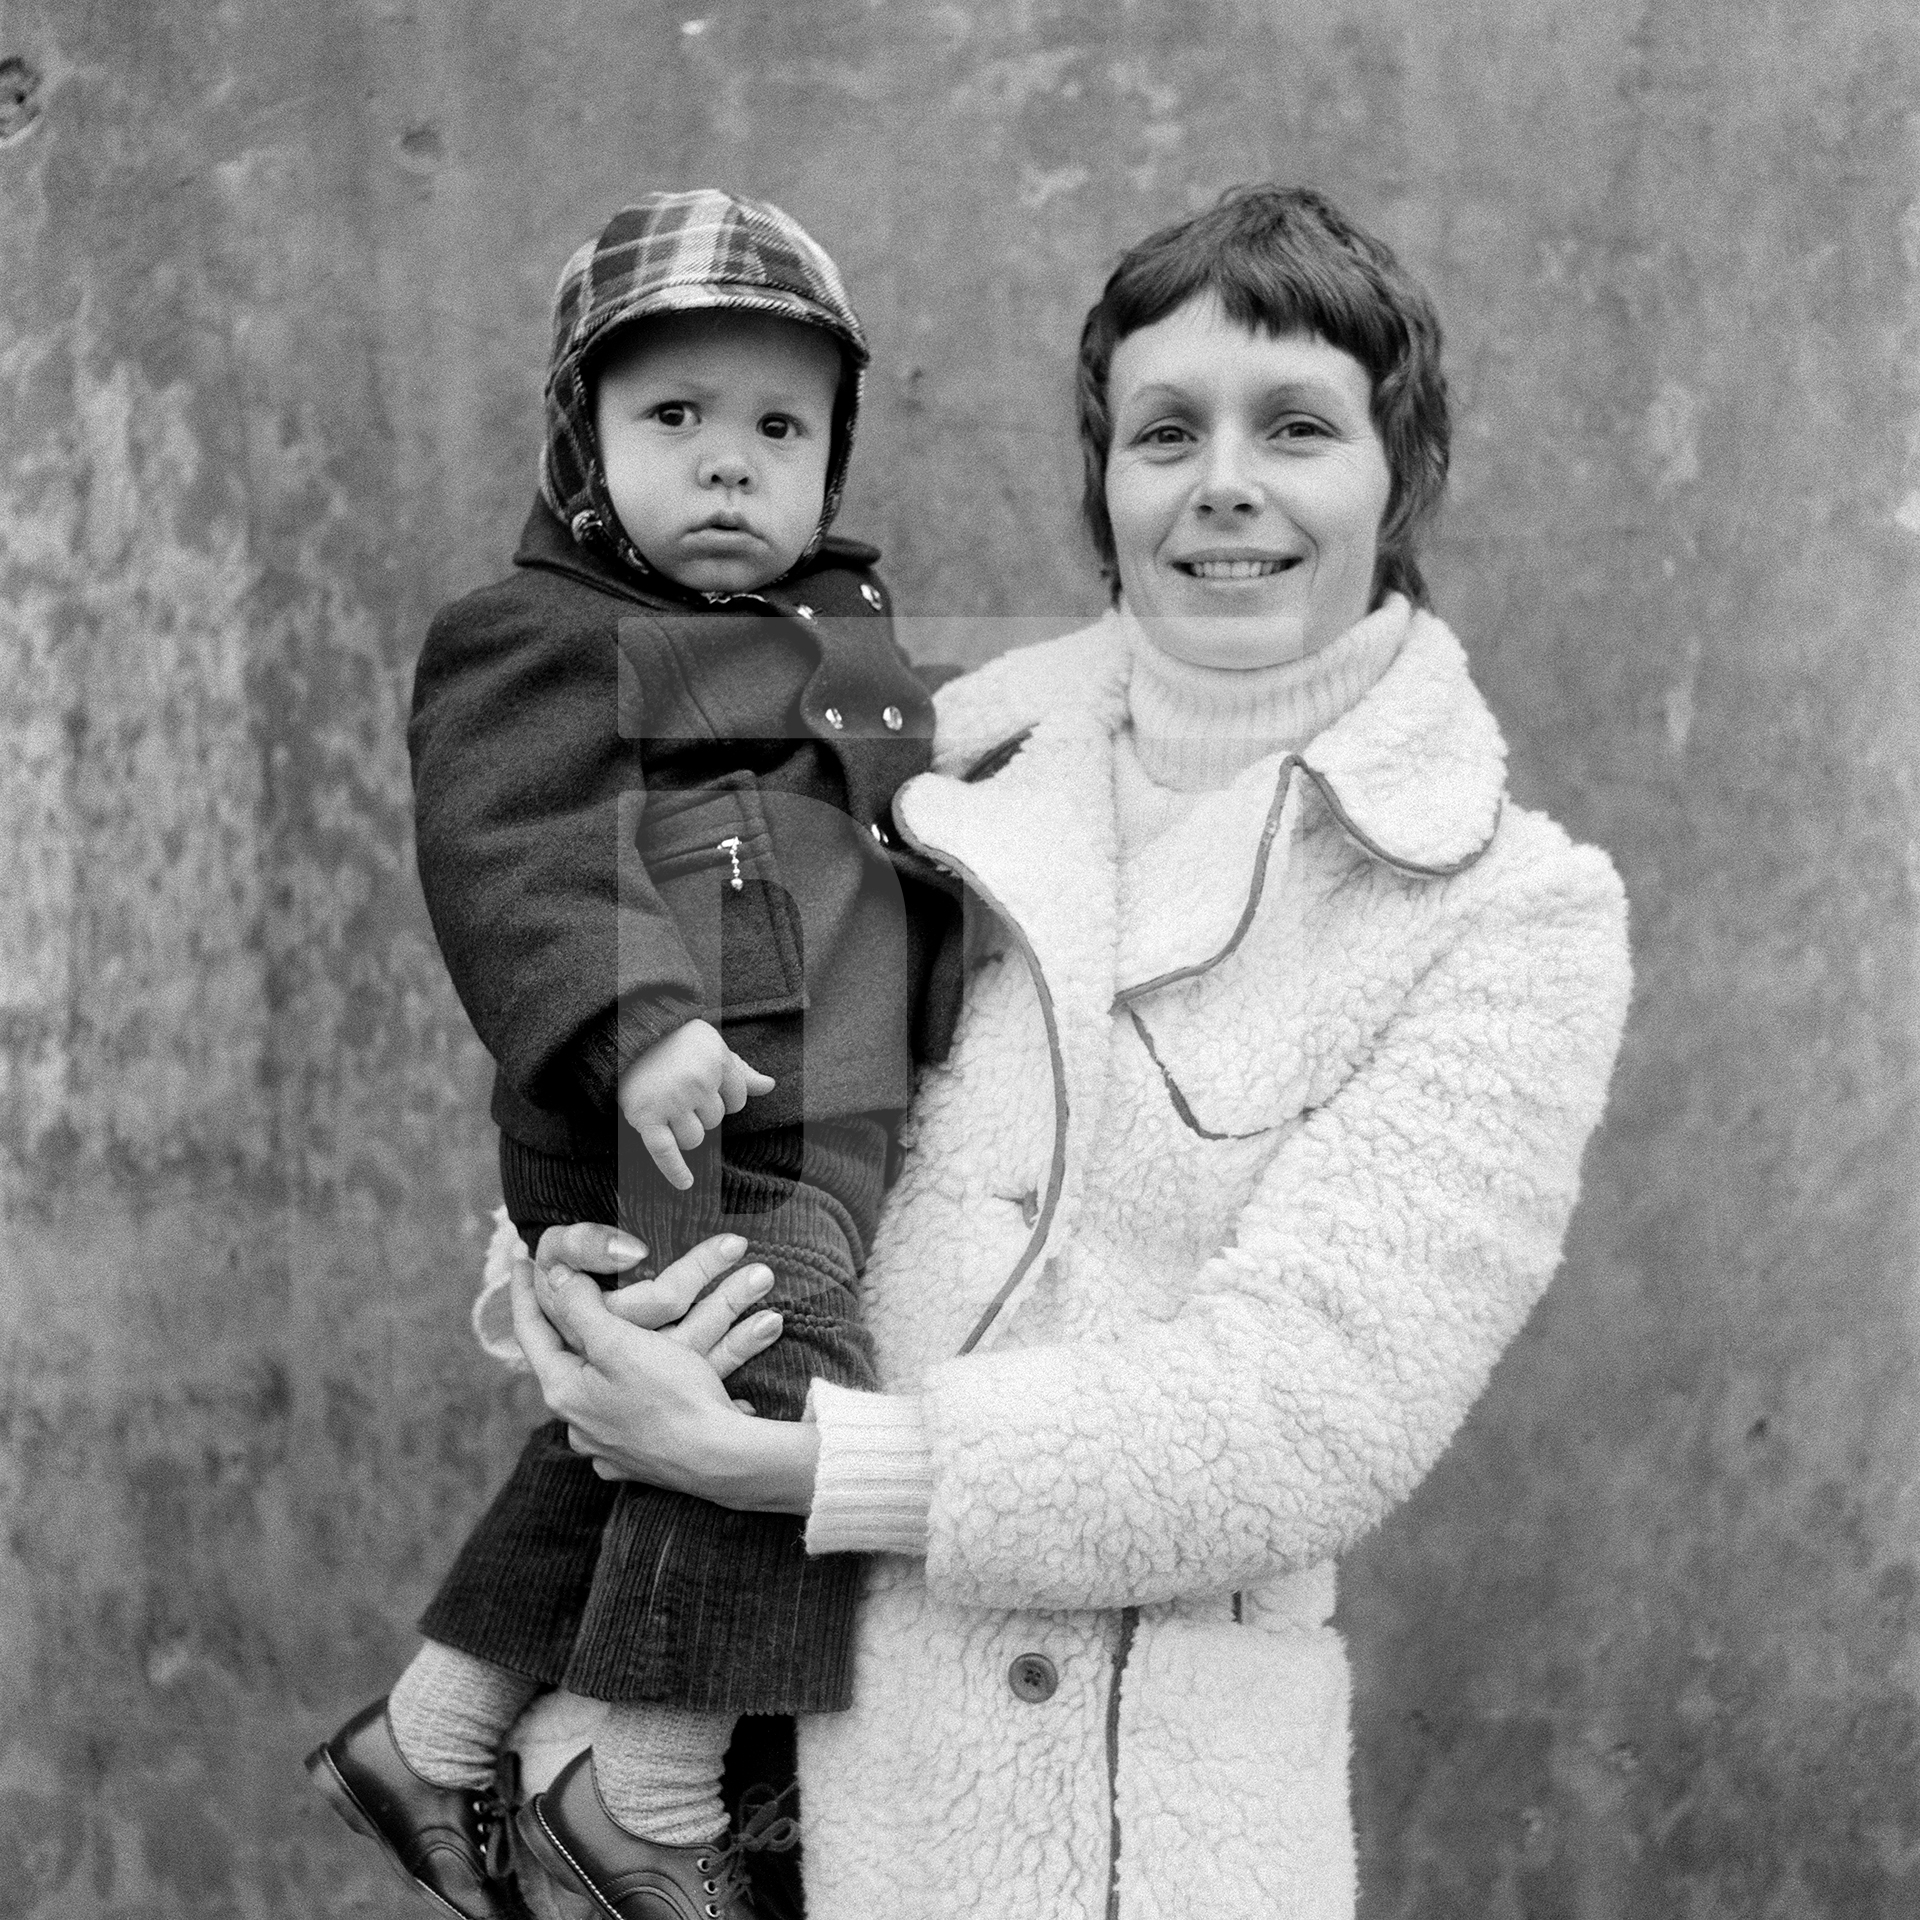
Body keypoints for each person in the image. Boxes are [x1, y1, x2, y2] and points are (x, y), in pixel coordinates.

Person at [494, 184, 1634, 1920]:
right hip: (732, 1793)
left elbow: (1306, 1417)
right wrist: (564, 1299)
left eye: (1300, 427)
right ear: (1105, 478)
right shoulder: (933, 757)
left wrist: (791, 1464)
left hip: (1108, 1835)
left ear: (1404, 477)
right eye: (1165, 429)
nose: (1224, 483)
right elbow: (651, 1041)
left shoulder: (1504, 907)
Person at [305, 189, 961, 1920]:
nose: (731, 465)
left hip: (824, 1107)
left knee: (637, 1435)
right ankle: (645, 1802)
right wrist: (636, 1021)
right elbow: (510, 850)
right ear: (585, 444)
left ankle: (434, 1731)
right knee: (787, 1370)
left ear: (832, 453)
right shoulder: (541, 633)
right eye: (675, 420)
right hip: (668, 1105)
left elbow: (911, 824)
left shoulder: (850, 629)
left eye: (777, 427)